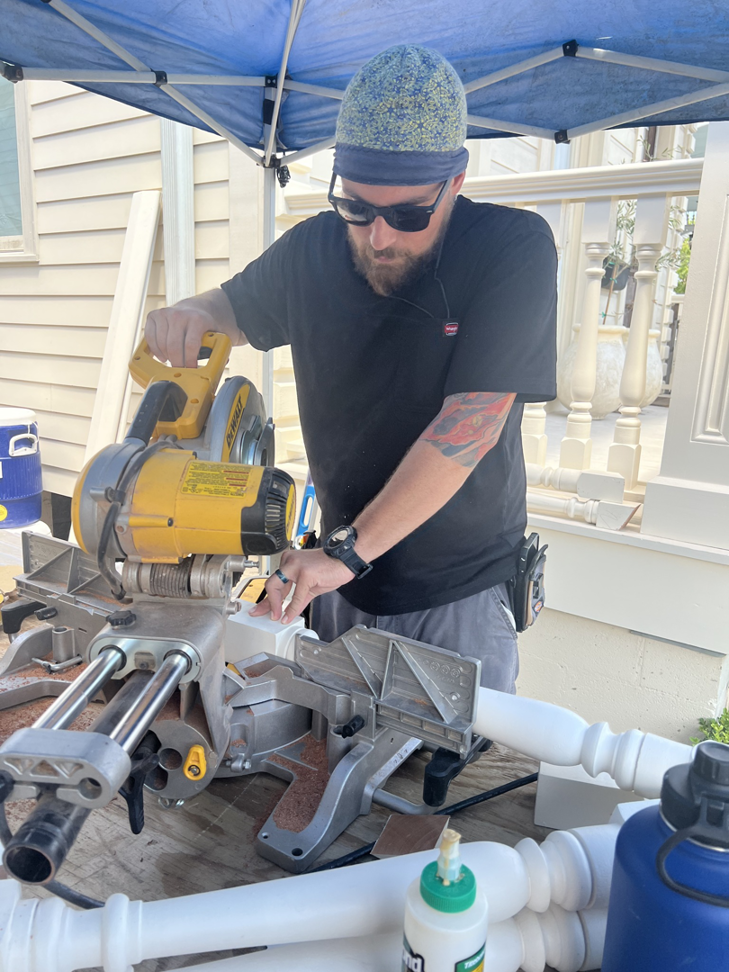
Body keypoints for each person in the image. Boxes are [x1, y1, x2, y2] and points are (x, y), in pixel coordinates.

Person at [145, 45, 557, 693]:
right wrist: (192, 313)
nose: (379, 236)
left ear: (454, 182)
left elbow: (471, 424)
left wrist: (344, 554)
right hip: (334, 579)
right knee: (317, 761)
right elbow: (232, 306)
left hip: (455, 596)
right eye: (357, 207)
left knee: (450, 787)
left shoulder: (511, 249)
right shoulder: (312, 248)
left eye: (408, 214)